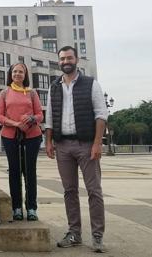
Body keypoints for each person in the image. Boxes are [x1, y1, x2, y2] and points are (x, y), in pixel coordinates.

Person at [45, 46, 109, 252]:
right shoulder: (54, 87)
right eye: (62, 58)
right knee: (69, 191)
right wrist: (48, 141)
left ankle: (97, 236)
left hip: (86, 144)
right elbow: (49, 118)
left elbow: (101, 114)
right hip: (62, 146)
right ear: (59, 61)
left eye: (69, 57)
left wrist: (98, 143)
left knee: (94, 191)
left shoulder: (91, 84)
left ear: (77, 60)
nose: (66, 61)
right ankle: (75, 233)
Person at [0, 63, 44, 221]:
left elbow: (39, 115)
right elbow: (0, 116)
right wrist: (16, 123)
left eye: (21, 72)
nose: (17, 74)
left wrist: (31, 119)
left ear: (25, 75)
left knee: (30, 171)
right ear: (10, 74)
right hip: (10, 136)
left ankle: (31, 207)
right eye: (15, 71)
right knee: (14, 171)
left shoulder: (32, 93)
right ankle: (16, 207)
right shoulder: (4, 93)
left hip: (32, 136)